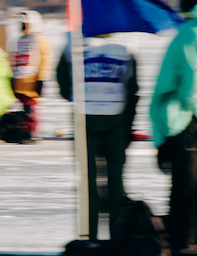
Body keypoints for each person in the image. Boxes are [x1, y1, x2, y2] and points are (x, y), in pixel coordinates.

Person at [150, 0, 197, 251]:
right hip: (186, 121)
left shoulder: (196, 30)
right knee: (190, 185)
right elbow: (196, 85)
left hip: (187, 120)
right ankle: (185, 240)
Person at [56, 34, 138, 241]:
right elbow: (133, 87)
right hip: (116, 124)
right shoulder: (126, 46)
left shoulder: (72, 42)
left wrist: (80, 95)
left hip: (85, 121)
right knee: (116, 183)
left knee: (87, 183)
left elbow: (63, 83)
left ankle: (89, 237)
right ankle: (117, 238)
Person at [11, 10, 52, 137]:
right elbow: (15, 58)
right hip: (20, 80)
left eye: (25, 24)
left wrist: (41, 78)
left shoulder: (39, 39)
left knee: (31, 108)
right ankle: (24, 130)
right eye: (21, 24)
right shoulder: (21, 40)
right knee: (24, 108)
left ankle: (32, 132)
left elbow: (45, 59)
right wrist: (12, 76)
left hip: (31, 80)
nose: (22, 27)